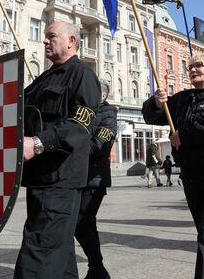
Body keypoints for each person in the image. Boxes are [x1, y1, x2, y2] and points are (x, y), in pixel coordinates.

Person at [143, 52, 204, 279]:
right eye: (190, 67)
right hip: (191, 175)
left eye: (200, 65)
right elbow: (152, 116)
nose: (194, 69)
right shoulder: (182, 99)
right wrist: (156, 103)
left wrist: (183, 135)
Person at [14, 21, 101, 279]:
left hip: (60, 178)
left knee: (38, 251)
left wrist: (38, 143)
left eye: (51, 36)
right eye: (45, 36)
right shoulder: (43, 78)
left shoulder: (82, 75)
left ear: (71, 41)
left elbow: (80, 124)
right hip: (39, 176)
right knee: (59, 254)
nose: (44, 41)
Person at [74, 81, 117, 279]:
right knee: (80, 224)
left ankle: (97, 268)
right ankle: (97, 270)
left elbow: (102, 141)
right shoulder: (80, 110)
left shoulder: (108, 114)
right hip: (74, 176)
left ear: (103, 96)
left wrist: (73, 151)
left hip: (94, 178)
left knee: (83, 222)